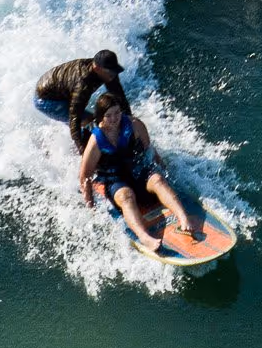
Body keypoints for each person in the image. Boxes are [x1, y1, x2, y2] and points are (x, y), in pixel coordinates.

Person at [79, 99, 200, 251]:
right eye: (109, 115)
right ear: (100, 117)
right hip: (116, 181)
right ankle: (145, 237)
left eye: (117, 113)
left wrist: (164, 172)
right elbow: (84, 176)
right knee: (126, 195)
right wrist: (91, 207)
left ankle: (183, 218)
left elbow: (150, 150)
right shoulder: (96, 140)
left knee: (157, 180)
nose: (114, 118)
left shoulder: (135, 124)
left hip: (138, 172)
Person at [34, 49, 131, 149]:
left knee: (100, 119)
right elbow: (75, 118)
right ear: (97, 69)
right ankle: (84, 148)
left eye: (114, 71)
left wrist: (129, 120)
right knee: (91, 121)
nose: (113, 75)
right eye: (110, 72)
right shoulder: (83, 83)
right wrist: (82, 149)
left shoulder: (107, 71)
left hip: (61, 89)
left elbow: (119, 96)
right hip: (46, 100)